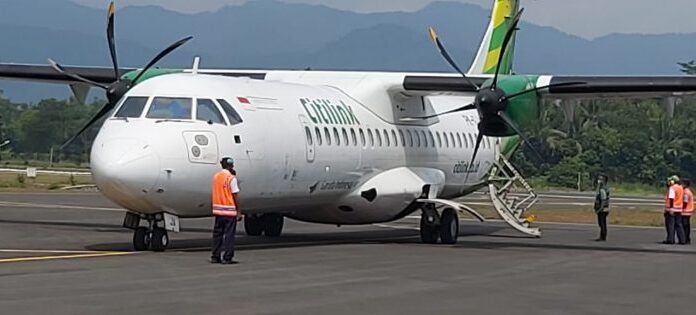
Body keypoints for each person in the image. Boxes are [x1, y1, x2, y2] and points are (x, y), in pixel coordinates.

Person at [210, 157, 241, 264]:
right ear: (230, 166)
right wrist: (239, 210)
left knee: (217, 234)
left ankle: (215, 256)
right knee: (229, 235)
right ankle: (227, 257)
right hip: (229, 211)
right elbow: (235, 194)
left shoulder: (216, 177)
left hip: (218, 210)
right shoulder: (231, 178)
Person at [663, 175, 686, 245]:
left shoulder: (672, 188)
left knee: (671, 225)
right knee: (679, 224)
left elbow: (671, 198)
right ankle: (682, 240)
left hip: (672, 208)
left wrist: (671, 208)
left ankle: (670, 239)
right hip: (679, 209)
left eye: (670, 180)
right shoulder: (681, 188)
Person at [593, 175, 610, 241]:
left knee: (602, 223)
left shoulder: (602, 190)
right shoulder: (602, 188)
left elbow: (603, 200)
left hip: (603, 209)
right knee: (602, 223)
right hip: (604, 209)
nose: (599, 181)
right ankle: (602, 236)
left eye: (600, 179)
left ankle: (603, 236)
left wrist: (600, 209)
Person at [682, 179, 693, 244]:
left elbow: (685, 202)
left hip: (685, 211)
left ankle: (686, 238)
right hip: (688, 211)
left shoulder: (686, 192)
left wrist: (682, 208)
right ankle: (687, 238)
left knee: (685, 226)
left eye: (682, 184)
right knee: (687, 225)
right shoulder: (687, 191)